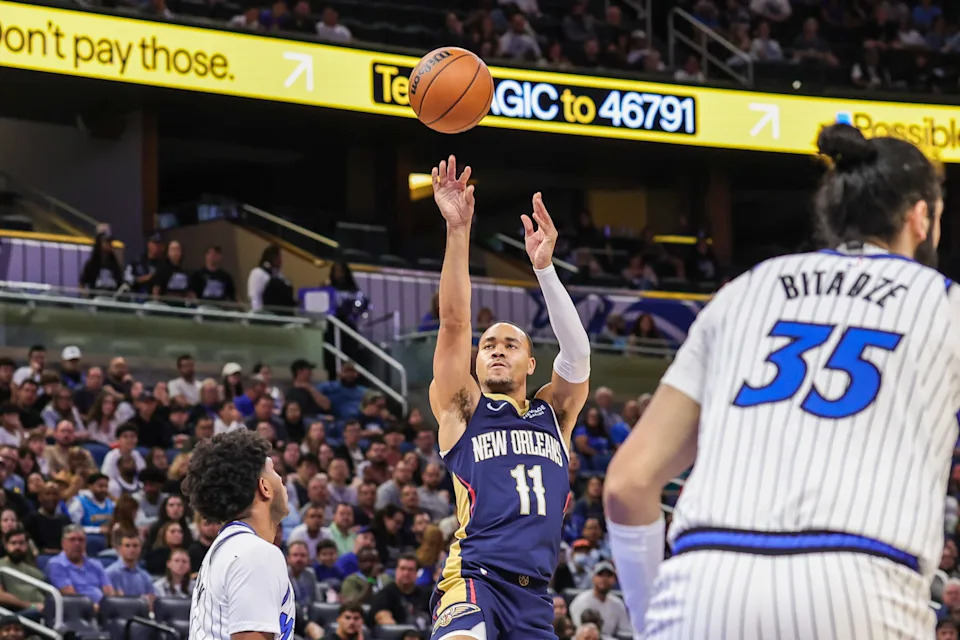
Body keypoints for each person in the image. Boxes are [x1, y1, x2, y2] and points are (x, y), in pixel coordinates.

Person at [604, 122, 959, 638]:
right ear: (921, 217)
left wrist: (649, 621)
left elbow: (628, 484)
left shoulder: (742, 292)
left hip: (702, 583)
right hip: (861, 584)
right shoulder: (944, 302)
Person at [427, 156, 591, 640]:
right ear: (475, 366)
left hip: (535, 597)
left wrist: (544, 271)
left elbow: (577, 354)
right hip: (474, 580)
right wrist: (459, 230)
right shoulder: (462, 408)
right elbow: (455, 322)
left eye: (510, 344)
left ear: (531, 364)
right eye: (489, 346)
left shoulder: (553, 416)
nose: (496, 350)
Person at [184, 430, 295, 640]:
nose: (281, 480)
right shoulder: (254, 553)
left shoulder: (228, 548)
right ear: (264, 488)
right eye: (274, 472)